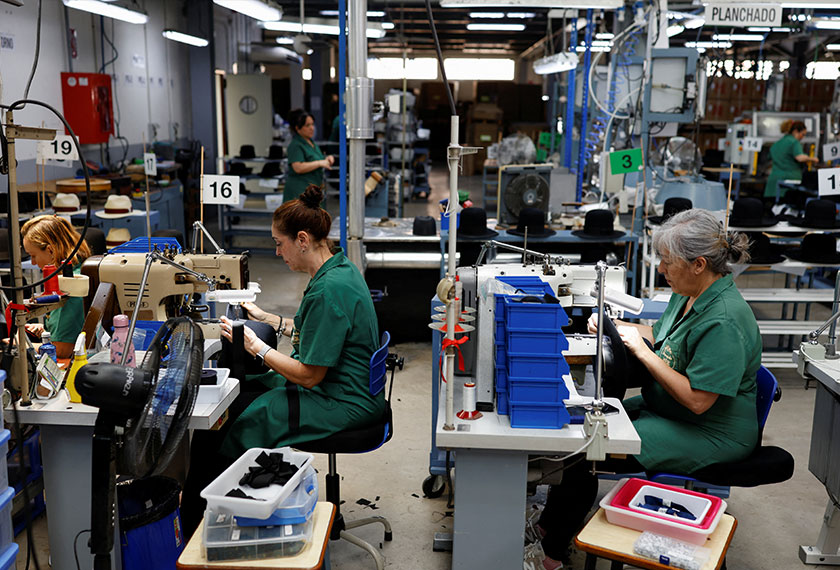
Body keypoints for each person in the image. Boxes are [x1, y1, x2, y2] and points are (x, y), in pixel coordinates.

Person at [531, 209, 761, 570]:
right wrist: (620, 328)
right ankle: (547, 527)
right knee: (579, 427)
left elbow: (698, 401)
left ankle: (551, 555)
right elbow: (666, 339)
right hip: (669, 407)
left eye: (667, 262)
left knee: (590, 448)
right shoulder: (689, 294)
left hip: (710, 430)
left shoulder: (725, 320)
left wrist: (640, 351)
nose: (661, 269)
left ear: (699, 264)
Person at [180, 184, 383, 534]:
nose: (277, 252)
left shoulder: (328, 290)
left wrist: (256, 347)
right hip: (344, 387)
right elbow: (315, 333)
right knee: (242, 396)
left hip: (341, 399)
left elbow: (309, 376)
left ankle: (205, 526)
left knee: (228, 428)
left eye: (279, 243)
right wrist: (267, 318)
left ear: (302, 239)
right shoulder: (338, 271)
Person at [19, 215, 91, 359]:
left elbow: (63, 349)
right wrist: (46, 330)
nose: (33, 263)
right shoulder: (81, 269)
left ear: (51, 251)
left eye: (33, 255)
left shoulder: (69, 286)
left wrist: (20, 346)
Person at [284, 109, 334, 202]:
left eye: (312, 124)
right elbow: (298, 167)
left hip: (313, 191)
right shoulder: (296, 145)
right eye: (307, 125)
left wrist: (326, 159)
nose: (312, 128)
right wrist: (319, 163)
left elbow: (315, 158)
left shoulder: (311, 143)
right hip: (300, 191)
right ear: (297, 128)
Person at [764, 119, 819, 200]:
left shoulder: (776, 144)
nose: (802, 137)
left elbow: (769, 158)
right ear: (796, 131)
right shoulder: (794, 142)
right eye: (802, 134)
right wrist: (813, 159)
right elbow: (799, 158)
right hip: (789, 182)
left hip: (773, 182)